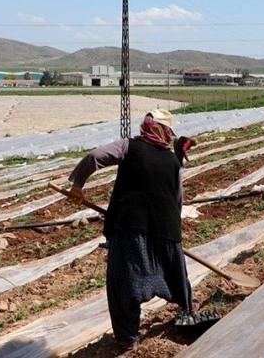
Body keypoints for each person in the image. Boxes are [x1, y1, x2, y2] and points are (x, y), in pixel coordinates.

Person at [67, 109, 193, 350]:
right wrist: (171, 226)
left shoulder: (128, 147)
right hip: (166, 228)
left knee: (125, 282)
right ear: (166, 132)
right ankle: (188, 309)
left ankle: (128, 338)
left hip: (129, 226)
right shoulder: (172, 160)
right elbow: (178, 198)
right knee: (175, 274)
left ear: (146, 127)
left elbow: (94, 156)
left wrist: (78, 185)